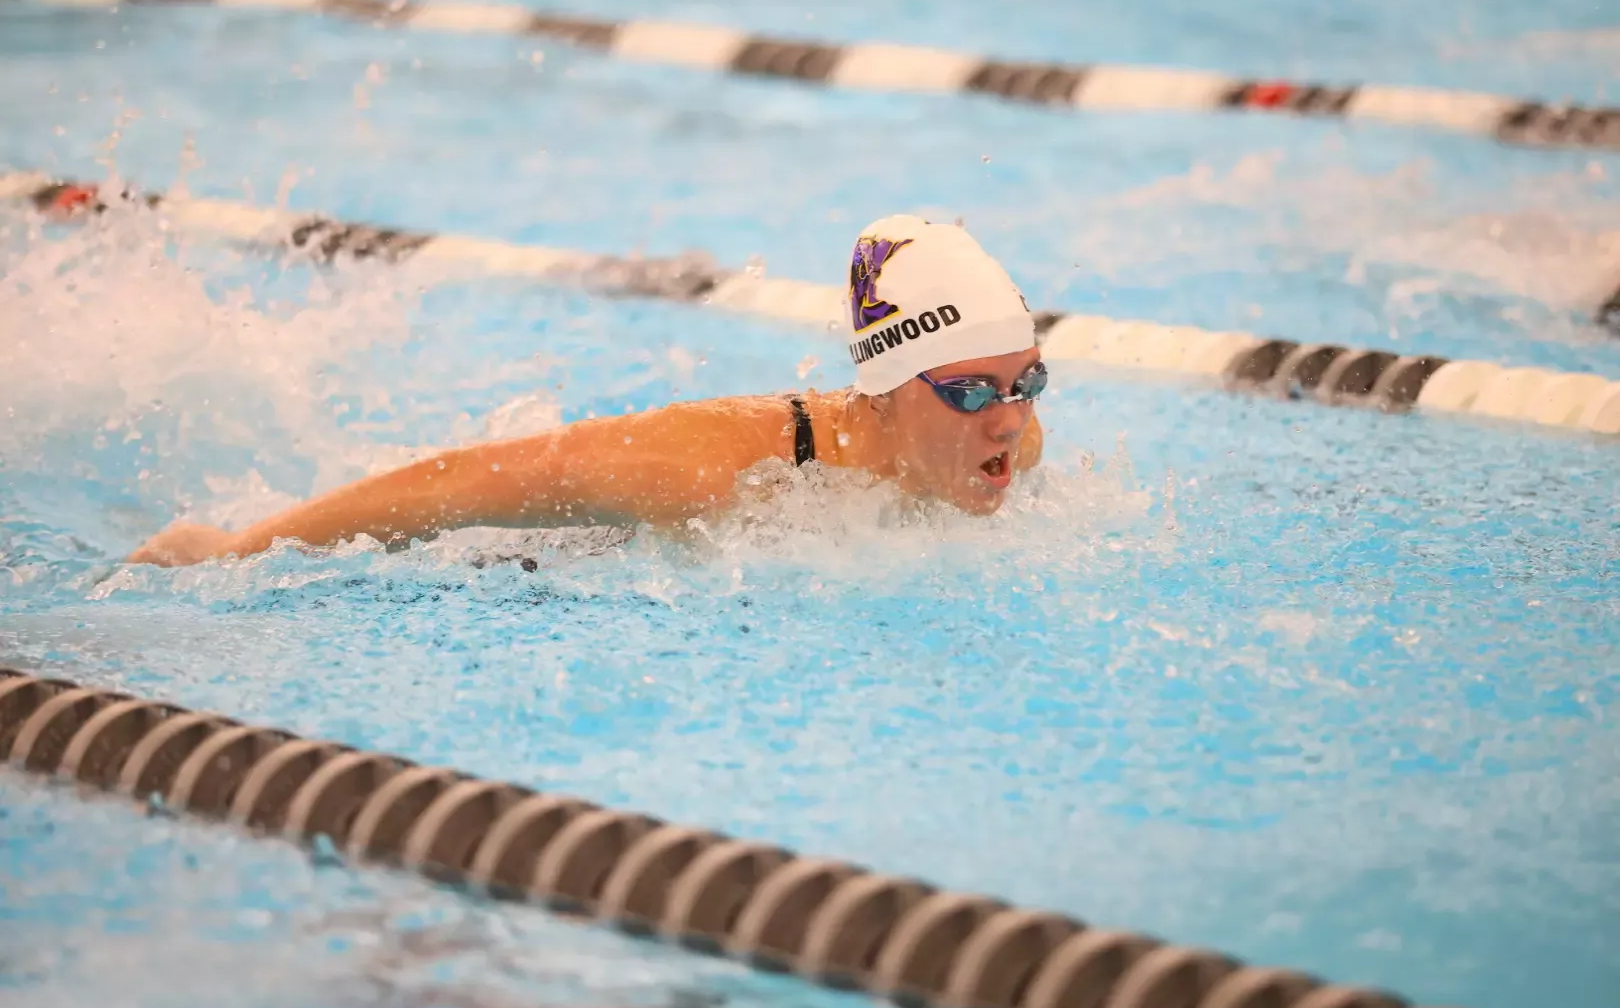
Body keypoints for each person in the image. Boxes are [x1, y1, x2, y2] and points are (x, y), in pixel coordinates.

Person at [127, 215, 1047, 567]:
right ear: (885, 390)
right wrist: (238, 546)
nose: (1008, 421)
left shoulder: (1004, 447)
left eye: (1027, 382)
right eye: (970, 392)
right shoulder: (710, 465)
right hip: (544, 563)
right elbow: (461, 486)